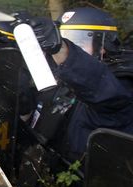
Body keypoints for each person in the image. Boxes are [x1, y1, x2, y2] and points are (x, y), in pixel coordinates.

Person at [24, 7, 133, 164]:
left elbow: (98, 86)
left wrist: (61, 48)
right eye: (65, 39)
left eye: (80, 42)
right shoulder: (59, 81)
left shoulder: (120, 86)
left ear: (103, 46)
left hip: (84, 183)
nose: (72, 46)